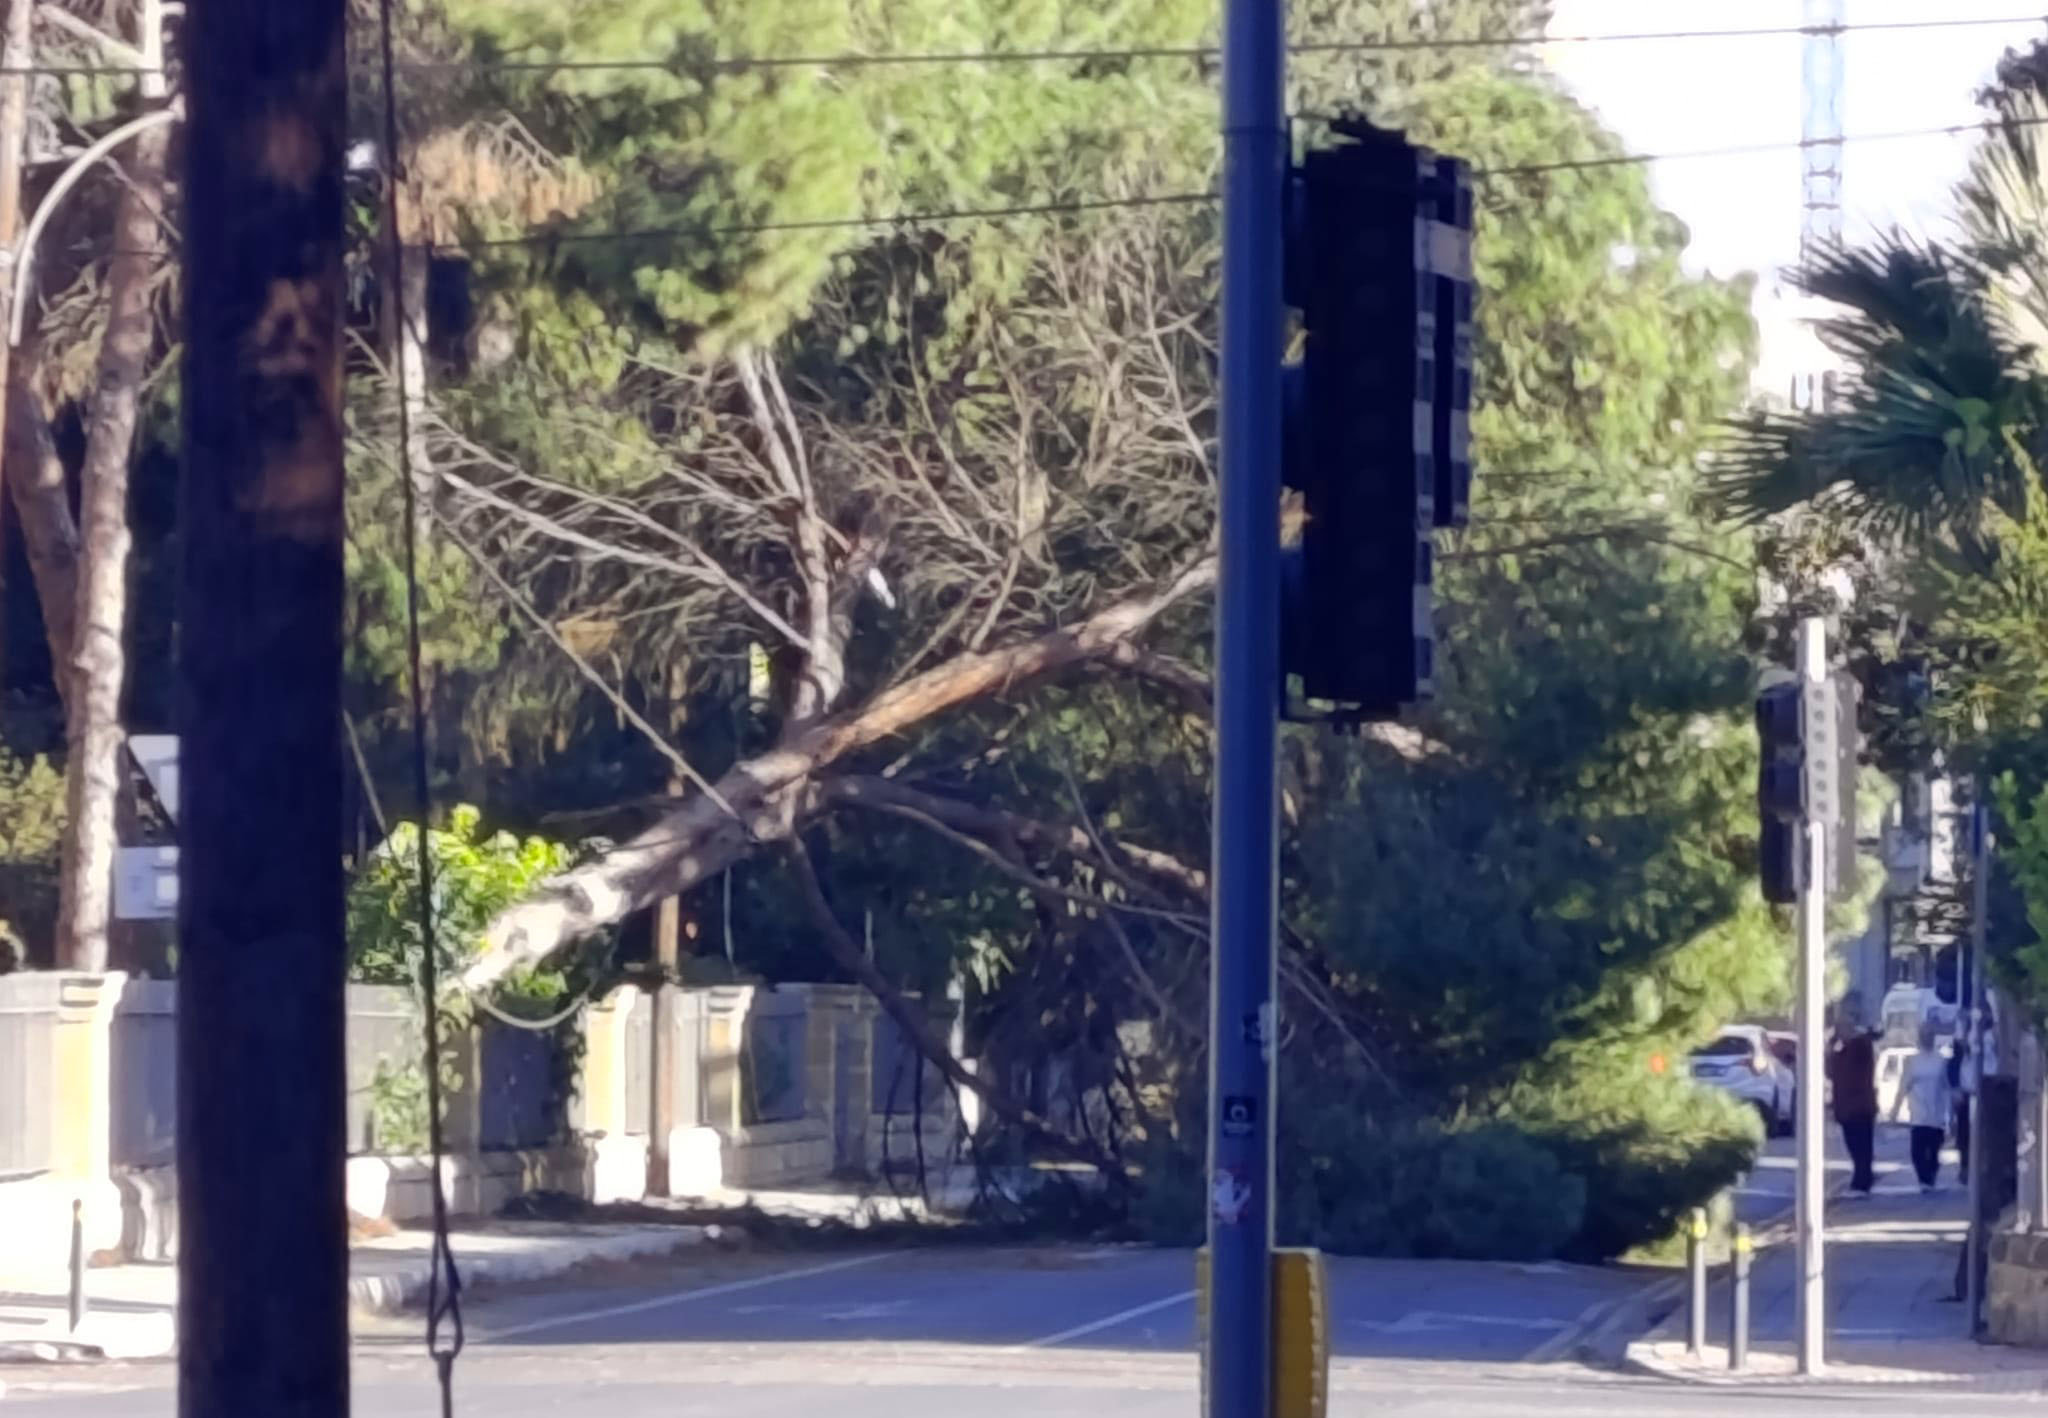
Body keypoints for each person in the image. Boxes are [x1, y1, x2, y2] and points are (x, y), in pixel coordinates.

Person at [1828, 993, 1880, 1194]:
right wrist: (1832, 1045)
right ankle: (1861, 1177)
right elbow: (1830, 1071)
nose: (1840, 1032)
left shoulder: (1860, 1046)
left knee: (1862, 1145)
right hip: (1846, 1108)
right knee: (1853, 1144)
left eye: (1842, 1029)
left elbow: (1869, 1037)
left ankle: (1863, 1180)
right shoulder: (1842, 1052)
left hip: (1861, 1106)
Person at [1893, 1019, 1954, 1193]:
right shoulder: (1912, 1061)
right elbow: (1903, 1086)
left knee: (1934, 1150)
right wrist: (1895, 1110)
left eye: (1930, 1035)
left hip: (1937, 1113)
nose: (1927, 1037)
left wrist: (1950, 1114)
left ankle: (1930, 1177)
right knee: (1917, 1151)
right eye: (1924, 1034)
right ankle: (1923, 1179)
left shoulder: (1941, 1060)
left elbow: (1946, 1088)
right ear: (1919, 1037)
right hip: (1918, 1113)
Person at [1948, 1031, 1973, 1185]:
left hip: (1979, 1097)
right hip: (1963, 1100)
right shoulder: (1955, 1062)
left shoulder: (1979, 1057)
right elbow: (1952, 1084)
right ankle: (1965, 1167)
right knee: (1964, 1136)